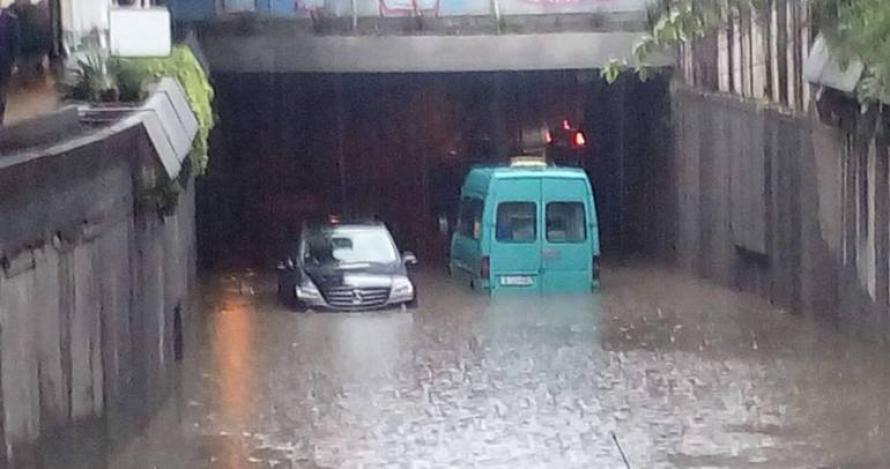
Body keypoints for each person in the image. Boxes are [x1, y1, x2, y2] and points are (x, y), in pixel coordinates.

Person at [0, 6, 21, 125]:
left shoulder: (10, 20)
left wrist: (15, 63)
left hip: (4, 63)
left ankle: (0, 117)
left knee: (2, 91)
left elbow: (16, 42)